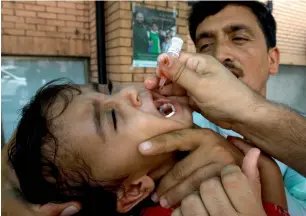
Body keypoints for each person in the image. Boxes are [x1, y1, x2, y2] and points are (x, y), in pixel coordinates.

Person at [6, 79, 288, 216]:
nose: (129, 92)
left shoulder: (220, 145)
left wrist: (267, 172)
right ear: (132, 190)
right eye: (113, 117)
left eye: (108, 90)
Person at [142, 1, 306, 215]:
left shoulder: (296, 131)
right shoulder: (176, 126)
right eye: (206, 46)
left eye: (239, 38)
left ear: (272, 59)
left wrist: (254, 176)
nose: (219, 56)